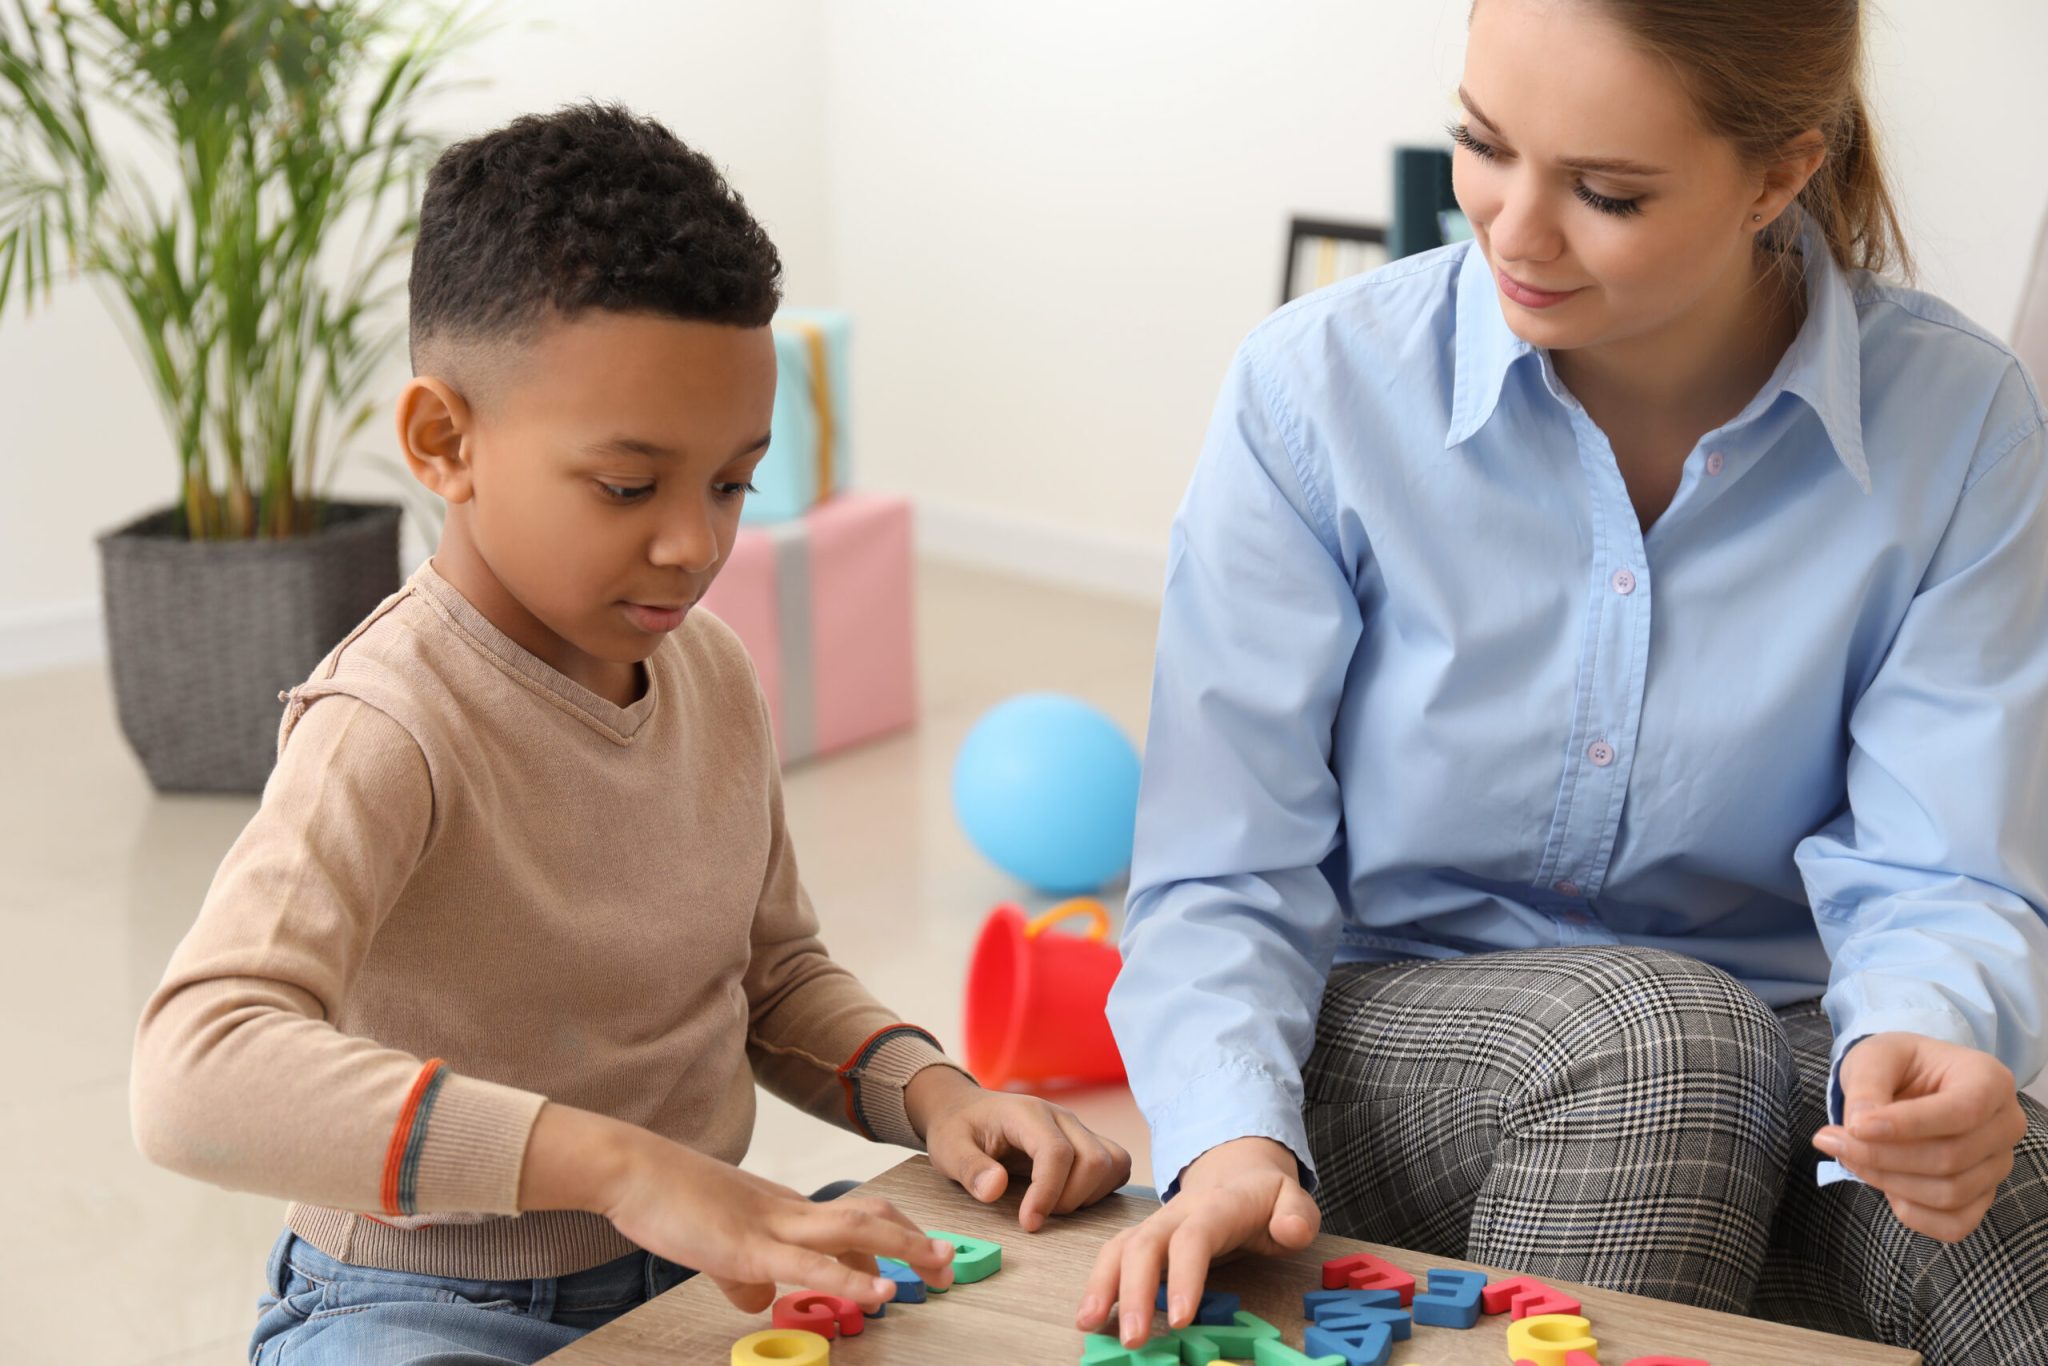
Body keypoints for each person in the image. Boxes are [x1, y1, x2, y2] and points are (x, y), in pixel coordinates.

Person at [1082, 2, 2048, 1361]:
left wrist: (1931, 1046)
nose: (1513, 230)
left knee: (2013, 1227)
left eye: (1605, 191)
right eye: (1482, 143)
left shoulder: (1960, 422)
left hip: (1782, 1046)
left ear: (1779, 173)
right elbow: (1225, 867)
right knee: (1661, 1043)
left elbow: (1946, 868)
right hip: (1394, 1040)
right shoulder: (1317, 391)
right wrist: (1228, 1142)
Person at [129, 103, 1130, 1366]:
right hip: (420, 1308)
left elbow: (770, 977)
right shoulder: (385, 723)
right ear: (447, 441)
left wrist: (935, 1094)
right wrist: (616, 1166)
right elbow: (194, 1071)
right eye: (627, 486)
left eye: (730, 482)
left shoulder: (703, 666)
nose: (695, 545)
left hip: (708, 1268)